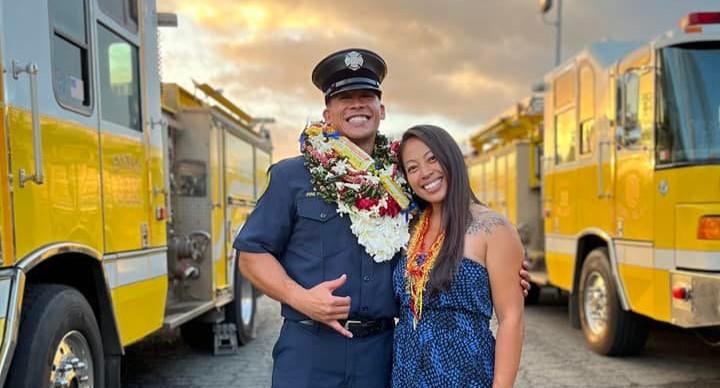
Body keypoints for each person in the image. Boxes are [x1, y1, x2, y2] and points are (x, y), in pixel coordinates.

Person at [233, 48, 529, 388]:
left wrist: (505, 273)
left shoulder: (404, 183)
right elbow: (251, 254)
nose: (357, 104)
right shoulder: (293, 177)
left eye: (367, 96)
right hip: (310, 350)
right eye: (345, 97)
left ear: (381, 109)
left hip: (382, 355)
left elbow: (452, 241)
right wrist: (302, 298)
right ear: (326, 113)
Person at [392, 125, 525, 388]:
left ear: (451, 157)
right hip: (405, 375)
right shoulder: (406, 229)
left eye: (432, 158)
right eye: (413, 167)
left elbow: (512, 318)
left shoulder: (492, 228)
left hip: (466, 377)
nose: (425, 172)